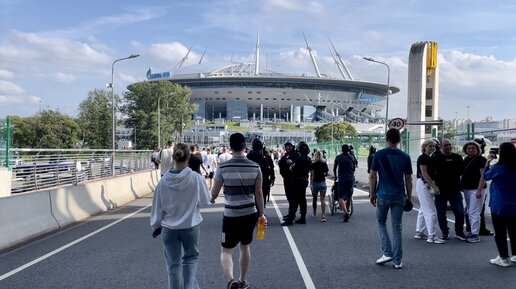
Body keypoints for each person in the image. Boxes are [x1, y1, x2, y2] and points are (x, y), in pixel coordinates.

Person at [150, 143, 211, 289]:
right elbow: (205, 201)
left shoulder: (163, 182)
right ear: (189, 157)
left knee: (173, 266)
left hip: (169, 228)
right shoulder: (196, 178)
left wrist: (156, 226)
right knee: (190, 260)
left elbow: (157, 208)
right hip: (190, 226)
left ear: (173, 157)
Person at [210, 133, 266, 289]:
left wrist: (212, 198)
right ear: (244, 146)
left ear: (230, 147)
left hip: (231, 214)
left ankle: (231, 280)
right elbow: (259, 193)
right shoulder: (255, 167)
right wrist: (261, 214)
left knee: (226, 250)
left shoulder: (223, 167)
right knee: (245, 246)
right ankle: (242, 280)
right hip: (249, 213)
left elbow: (214, 192)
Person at [369, 128, 413, 269]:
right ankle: (398, 261)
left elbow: (372, 176)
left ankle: (387, 253)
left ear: (387, 139)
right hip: (399, 196)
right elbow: (409, 179)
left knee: (381, 223)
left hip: (383, 194)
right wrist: (409, 197)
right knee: (397, 228)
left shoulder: (379, 155)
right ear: (399, 140)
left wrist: (371, 193)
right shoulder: (405, 157)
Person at [483, 142, 516, 267]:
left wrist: (488, 162)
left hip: (500, 204)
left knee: (500, 232)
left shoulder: (498, 168)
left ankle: (503, 258)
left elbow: (486, 176)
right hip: (514, 204)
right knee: (514, 231)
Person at [432, 139, 467, 241]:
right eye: (445, 145)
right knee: (441, 213)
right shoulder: (435, 158)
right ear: (441, 147)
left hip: (455, 189)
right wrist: (434, 186)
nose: (447, 146)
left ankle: (459, 232)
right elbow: (431, 173)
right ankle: (444, 232)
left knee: (459, 212)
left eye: (449, 145)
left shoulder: (458, 157)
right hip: (440, 190)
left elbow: (462, 172)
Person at [414, 139, 445, 244]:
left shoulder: (428, 158)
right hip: (425, 184)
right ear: (425, 147)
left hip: (424, 183)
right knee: (431, 210)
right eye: (430, 146)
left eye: (433, 146)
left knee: (424, 208)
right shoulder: (423, 158)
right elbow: (424, 174)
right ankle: (432, 236)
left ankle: (419, 231)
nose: (432, 148)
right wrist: (433, 186)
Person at [461, 141, 488, 243]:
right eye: (468, 148)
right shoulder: (466, 159)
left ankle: (475, 234)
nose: (471, 150)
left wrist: (479, 190)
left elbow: (483, 176)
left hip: (477, 189)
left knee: (474, 212)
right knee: (469, 211)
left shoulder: (481, 160)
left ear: (477, 149)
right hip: (467, 189)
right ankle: (473, 231)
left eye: (473, 148)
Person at [282, 141, 311, 226]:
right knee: (302, 199)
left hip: (297, 179)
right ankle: (303, 217)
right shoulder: (308, 159)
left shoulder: (298, 158)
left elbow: (292, 168)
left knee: (294, 200)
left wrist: (291, 164)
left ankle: (290, 219)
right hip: (305, 179)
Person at [247, 138, 274, 209]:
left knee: (262, 196)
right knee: (257, 197)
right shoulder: (250, 155)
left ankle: (261, 212)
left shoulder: (265, 156)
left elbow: (271, 168)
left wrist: (272, 178)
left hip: (262, 180)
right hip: (253, 180)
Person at [333, 144, 355, 222]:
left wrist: (335, 176)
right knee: (349, 196)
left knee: (340, 197)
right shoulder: (352, 157)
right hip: (351, 178)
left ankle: (346, 212)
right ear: (348, 150)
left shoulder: (338, 157)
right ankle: (348, 210)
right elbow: (354, 168)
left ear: (341, 150)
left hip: (342, 179)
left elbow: (334, 168)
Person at [279, 140, 299, 224]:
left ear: (293, 147)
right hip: (286, 178)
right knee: (289, 198)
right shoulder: (287, 155)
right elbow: (281, 162)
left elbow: (297, 165)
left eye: (290, 146)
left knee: (292, 199)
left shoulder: (296, 155)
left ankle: (291, 218)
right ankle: (291, 214)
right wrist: (284, 162)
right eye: (287, 146)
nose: (288, 147)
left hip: (292, 180)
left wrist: (291, 163)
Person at [310, 151, 329, 222]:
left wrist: (311, 183)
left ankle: (314, 213)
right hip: (323, 182)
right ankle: (323, 215)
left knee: (314, 199)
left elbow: (312, 175)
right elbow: (326, 173)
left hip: (315, 183)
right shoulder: (324, 164)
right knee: (323, 199)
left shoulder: (313, 164)